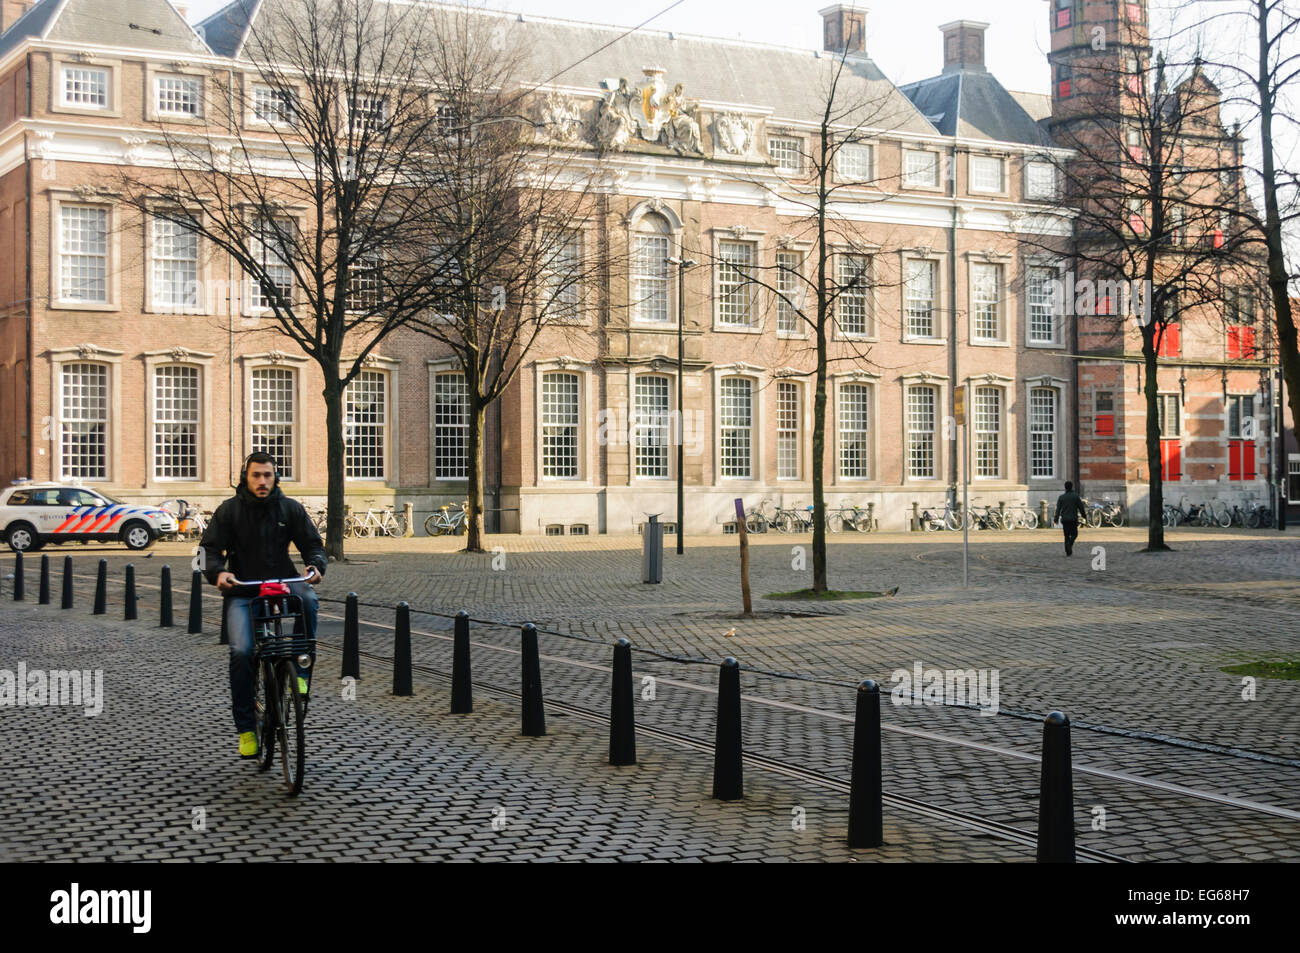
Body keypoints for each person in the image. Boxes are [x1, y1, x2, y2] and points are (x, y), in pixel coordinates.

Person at [199, 452, 326, 758]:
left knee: (308, 599)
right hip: (243, 589)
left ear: (275, 477)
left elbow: (312, 544)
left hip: (282, 582)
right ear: (246, 477)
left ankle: (300, 671)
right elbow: (206, 552)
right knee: (242, 652)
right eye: (256, 475)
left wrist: (316, 565)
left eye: (267, 475)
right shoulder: (229, 511)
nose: (262, 481)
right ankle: (245, 729)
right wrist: (219, 573)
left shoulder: (290, 508)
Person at [1054, 481, 1088, 557]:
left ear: (1065, 487)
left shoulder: (1061, 497)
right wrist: (1084, 515)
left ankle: (1068, 549)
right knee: (1074, 534)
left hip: (1065, 519)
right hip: (1073, 518)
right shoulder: (1076, 496)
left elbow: (1058, 509)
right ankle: (1069, 545)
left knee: (1066, 535)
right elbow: (1081, 507)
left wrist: (1056, 518)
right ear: (1071, 487)